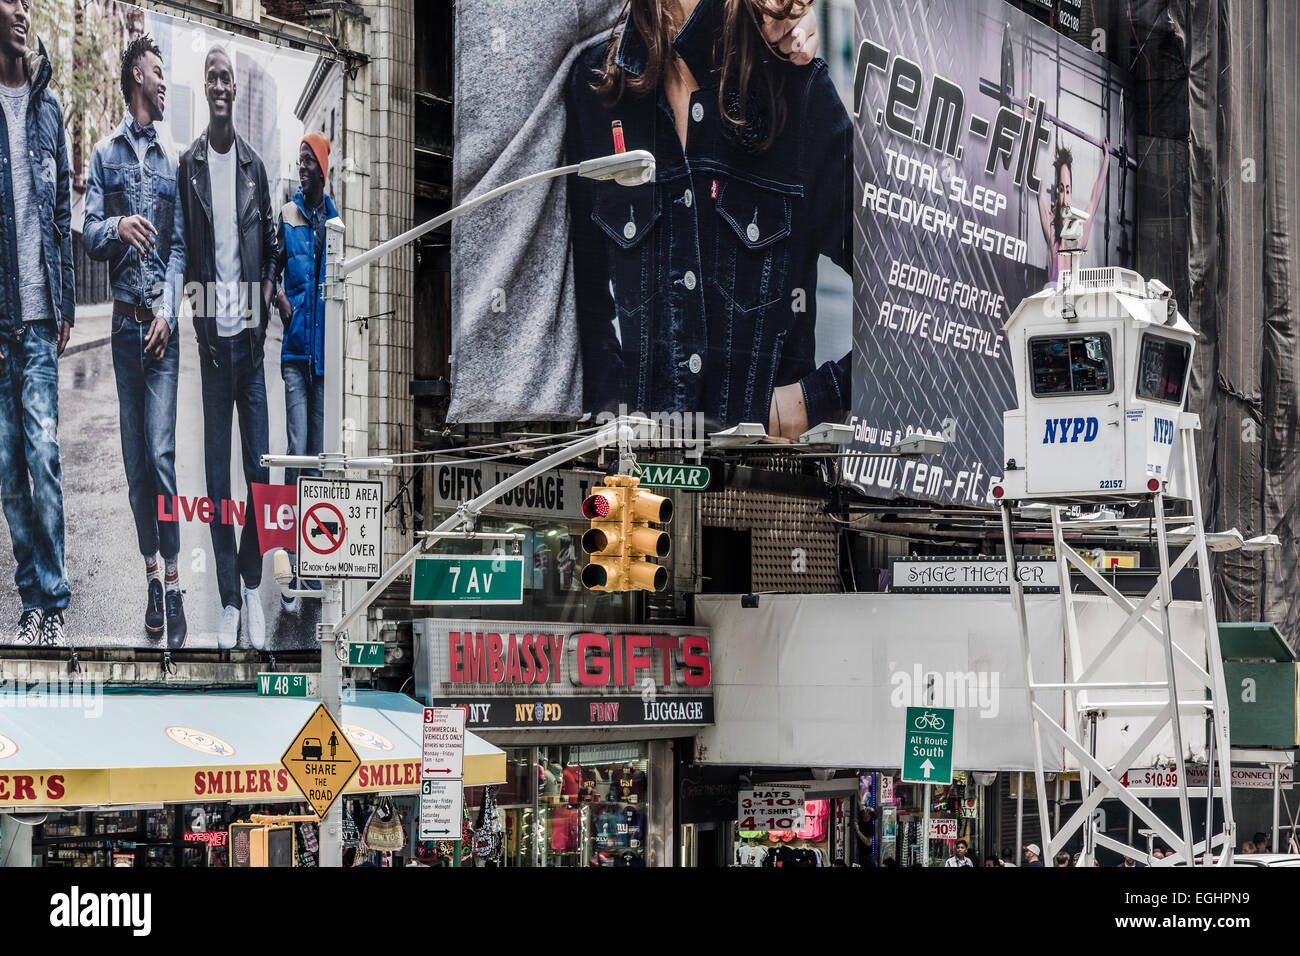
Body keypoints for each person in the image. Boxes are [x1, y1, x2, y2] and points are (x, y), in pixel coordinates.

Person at [567, 0, 849, 437]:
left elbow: (903, 293)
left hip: (767, 485)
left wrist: (815, 399)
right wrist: (612, 411)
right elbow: (583, 297)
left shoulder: (796, 87)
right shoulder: (599, 89)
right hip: (636, 484)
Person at [84, 34, 188, 648]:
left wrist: (169, 312)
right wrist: (118, 227)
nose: (163, 81)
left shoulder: (172, 162)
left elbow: (177, 249)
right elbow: (91, 232)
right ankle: (152, 579)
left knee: (163, 459)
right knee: (134, 469)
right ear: (134, 80)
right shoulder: (103, 155)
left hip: (161, 334)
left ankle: (176, 586)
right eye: (156, 72)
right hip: (124, 328)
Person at [173, 45, 278, 649]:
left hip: (251, 353)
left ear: (235, 93)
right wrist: (196, 323)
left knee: (260, 480)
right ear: (206, 87)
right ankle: (232, 602)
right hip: (215, 356)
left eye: (226, 79)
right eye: (211, 77)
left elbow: (267, 247)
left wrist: (262, 313)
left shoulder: (254, 168)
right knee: (218, 487)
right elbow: (188, 252)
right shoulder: (190, 166)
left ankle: (252, 583)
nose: (219, 86)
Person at [0, 0, 74, 646]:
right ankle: (30, 595)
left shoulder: (48, 110)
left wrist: (68, 306)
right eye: (11, 1)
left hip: (40, 317)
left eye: (28, 3)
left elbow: (58, 216)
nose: (21, 12)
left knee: (43, 456)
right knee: (7, 467)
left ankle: (52, 598)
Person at [274, 132, 337, 612]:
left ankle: (315, 564)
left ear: (323, 167)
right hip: (296, 356)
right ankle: (293, 556)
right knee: (297, 452)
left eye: (307, 161)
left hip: (325, 362)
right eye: (299, 161)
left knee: (318, 457)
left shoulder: (335, 224)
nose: (302, 169)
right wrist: (282, 303)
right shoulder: (288, 216)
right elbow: (270, 270)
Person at [1034, 134, 1110, 283]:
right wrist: (1028, 128)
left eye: (1068, 190)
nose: (1064, 198)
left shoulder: (1079, 233)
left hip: (1072, 301)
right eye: (1061, 190)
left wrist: (1107, 158)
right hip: (1052, 299)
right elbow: (1036, 179)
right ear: (1057, 192)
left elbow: (1095, 198)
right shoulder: (1051, 227)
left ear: (1072, 194)